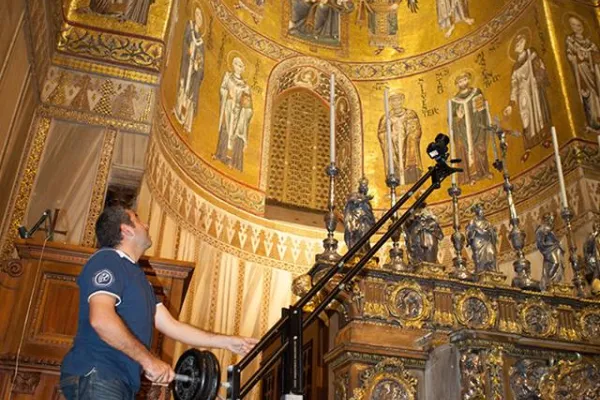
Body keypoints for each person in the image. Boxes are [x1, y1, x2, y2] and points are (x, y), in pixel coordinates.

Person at [60, 206, 257, 398]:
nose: (145, 225)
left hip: (120, 381)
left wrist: (226, 341)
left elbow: (172, 326)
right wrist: (149, 361)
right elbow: (101, 320)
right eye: (137, 219)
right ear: (126, 230)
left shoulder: (139, 277)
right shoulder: (107, 259)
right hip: (98, 373)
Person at [449, 72, 492, 184]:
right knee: (465, 150)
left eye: (464, 79)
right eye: (460, 81)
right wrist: (458, 118)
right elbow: (451, 119)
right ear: (457, 84)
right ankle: (470, 177)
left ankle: (484, 172)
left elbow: (482, 110)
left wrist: (480, 110)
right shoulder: (454, 101)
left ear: (468, 80)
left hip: (477, 127)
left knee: (480, 147)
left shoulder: (476, 92)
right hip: (463, 131)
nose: (463, 83)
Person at [535, 212, 565, 290]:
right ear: (547, 220)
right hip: (549, 249)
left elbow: (555, 240)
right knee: (555, 263)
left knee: (559, 265)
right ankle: (549, 281)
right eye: (551, 220)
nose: (552, 222)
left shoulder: (550, 229)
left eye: (552, 220)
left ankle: (555, 281)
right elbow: (540, 242)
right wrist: (548, 246)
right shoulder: (542, 229)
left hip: (555, 248)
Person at [465, 203, 498, 273]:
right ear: (477, 212)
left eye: (483, 210)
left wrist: (492, 231)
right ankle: (479, 271)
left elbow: (493, 234)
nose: (482, 212)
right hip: (478, 241)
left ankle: (492, 271)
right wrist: (475, 231)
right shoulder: (472, 222)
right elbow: (468, 232)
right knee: (478, 256)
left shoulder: (487, 222)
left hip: (487, 241)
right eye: (480, 210)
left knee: (491, 252)